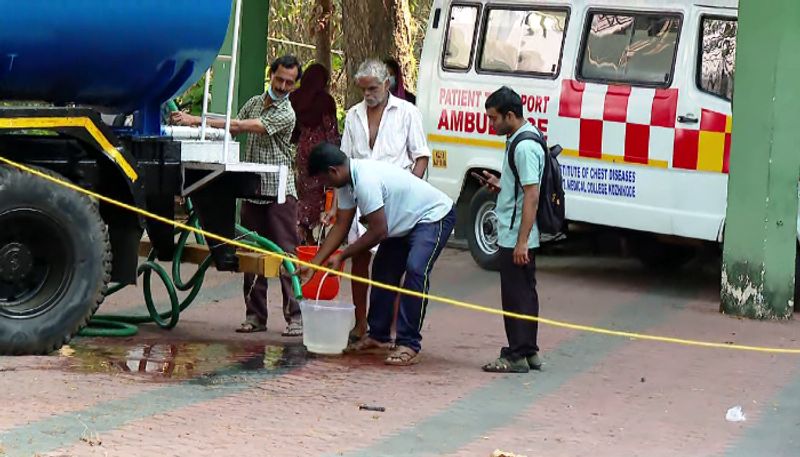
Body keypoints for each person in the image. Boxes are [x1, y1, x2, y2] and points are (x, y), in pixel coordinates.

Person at [170, 55, 304, 337]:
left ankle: (296, 317)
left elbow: (244, 126)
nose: (282, 86)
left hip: (279, 191)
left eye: (289, 83)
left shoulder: (286, 113)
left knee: (286, 255)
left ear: (295, 85)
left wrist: (196, 120)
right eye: (279, 79)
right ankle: (255, 316)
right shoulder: (255, 102)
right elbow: (233, 123)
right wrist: (200, 128)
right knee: (250, 255)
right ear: (271, 75)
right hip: (253, 189)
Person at [301, 143, 455, 366]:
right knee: (383, 268)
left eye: (325, 181)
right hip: (402, 223)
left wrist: (342, 255)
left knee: (415, 269)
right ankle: (379, 336)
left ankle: (409, 343)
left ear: (333, 171)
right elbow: (341, 226)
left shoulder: (365, 180)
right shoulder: (346, 182)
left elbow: (378, 232)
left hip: (433, 216)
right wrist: (315, 264)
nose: (327, 186)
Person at [335, 58, 431, 342]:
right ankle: (361, 322)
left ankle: (392, 327)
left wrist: (410, 191)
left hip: (398, 201)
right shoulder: (353, 115)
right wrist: (335, 207)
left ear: (387, 84)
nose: (367, 94)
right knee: (359, 259)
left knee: (396, 265)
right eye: (363, 89)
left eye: (372, 88)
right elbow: (344, 162)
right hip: (363, 198)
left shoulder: (407, 112)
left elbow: (421, 156)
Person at [477, 87, 544, 373]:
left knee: (515, 295)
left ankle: (516, 354)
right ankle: (528, 350)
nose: (492, 124)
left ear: (510, 115)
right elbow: (520, 189)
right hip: (517, 231)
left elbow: (532, 195)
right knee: (525, 293)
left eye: (494, 119)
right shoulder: (520, 138)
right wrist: (501, 184)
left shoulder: (524, 146)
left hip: (515, 234)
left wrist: (521, 242)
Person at [290, 63, 340, 244]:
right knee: (321, 196)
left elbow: (292, 131)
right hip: (322, 154)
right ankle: (314, 236)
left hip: (302, 153)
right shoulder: (325, 101)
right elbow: (331, 131)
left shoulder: (294, 98)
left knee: (304, 195)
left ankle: (302, 231)